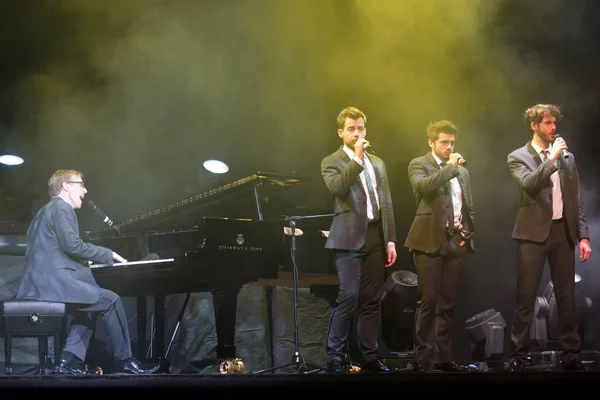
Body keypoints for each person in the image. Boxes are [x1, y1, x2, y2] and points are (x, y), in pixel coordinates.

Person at [14, 169, 160, 375]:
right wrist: (107, 254)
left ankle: (67, 360)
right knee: (111, 300)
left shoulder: (44, 211)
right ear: (66, 186)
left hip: (38, 283)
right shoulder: (62, 208)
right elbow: (72, 244)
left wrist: (83, 258)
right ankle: (125, 361)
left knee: (90, 307)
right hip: (54, 284)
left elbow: (51, 250)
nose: (85, 190)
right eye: (81, 184)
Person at [507, 104, 592, 371]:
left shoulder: (568, 158)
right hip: (532, 234)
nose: (552, 128)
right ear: (534, 125)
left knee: (566, 297)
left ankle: (571, 353)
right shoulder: (518, 156)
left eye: (554, 123)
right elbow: (530, 184)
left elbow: (575, 200)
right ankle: (519, 354)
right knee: (526, 297)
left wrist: (584, 237)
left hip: (562, 232)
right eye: (546, 123)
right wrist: (551, 158)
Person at [321, 106, 397, 374]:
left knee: (371, 299)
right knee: (349, 295)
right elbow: (338, 187)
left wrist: (391, 241)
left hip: (376, 235)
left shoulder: (378, 163)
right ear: (341, 132)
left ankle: (369, 355)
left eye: (360, 128)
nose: (357, 133)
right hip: (349, 237)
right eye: (351, 129)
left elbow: (385, 202)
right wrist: (357, 158)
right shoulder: (331, 161)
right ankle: (334, 355)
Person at [404, 120, 475, 372]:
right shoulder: (419, 164)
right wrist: (450, 167)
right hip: (428, 241)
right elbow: (424, 186)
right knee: (429, 300)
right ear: (431, 142)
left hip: (456, 241)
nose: (449, 147)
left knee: (447, 303)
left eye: (452, 143)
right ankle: (423, 358)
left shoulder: (462, 172)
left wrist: (467, 233)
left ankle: (445, 358)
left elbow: (467, 203)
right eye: (444, 142)